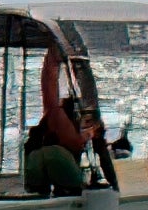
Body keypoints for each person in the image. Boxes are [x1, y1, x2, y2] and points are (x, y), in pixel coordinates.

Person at [21, 52, 98, 197]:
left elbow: (50, 87)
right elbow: (50, 90)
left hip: (36, 167)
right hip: (54, 161)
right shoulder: (61, 120)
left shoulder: (55, 117)